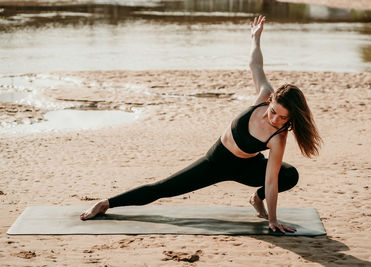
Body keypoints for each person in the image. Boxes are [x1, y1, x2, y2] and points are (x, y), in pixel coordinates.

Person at [80, 16, 322, 233]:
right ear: (269, 102)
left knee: (289, 175)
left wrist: (272, 219)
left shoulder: (278, 137)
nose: (275, 119)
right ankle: (106, 203)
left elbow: (271, 179)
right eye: (273, 112)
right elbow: (255, 65)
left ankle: (254, 199)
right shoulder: (264, 94)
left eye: (283, 118)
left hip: (247, 167)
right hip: (216, 161)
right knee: (163, 188)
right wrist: (255, 39)